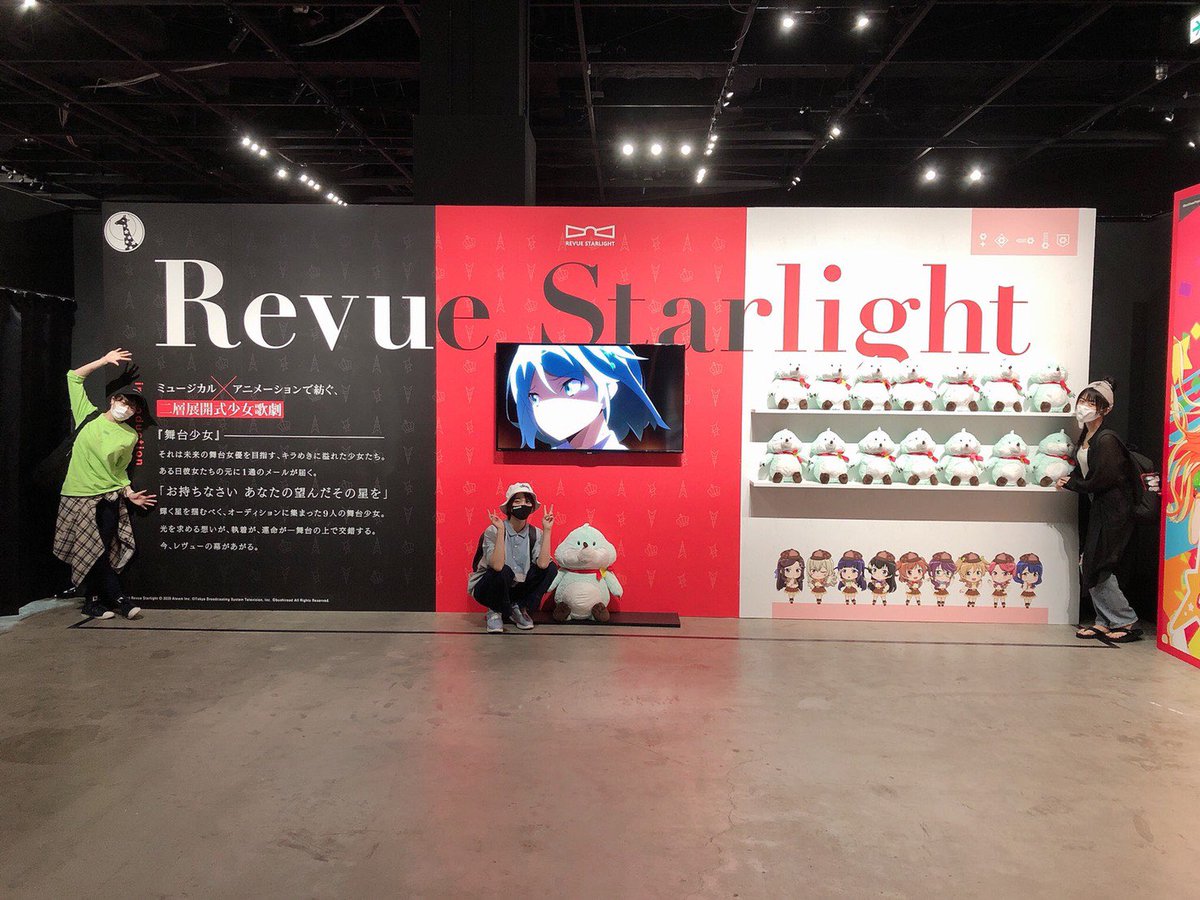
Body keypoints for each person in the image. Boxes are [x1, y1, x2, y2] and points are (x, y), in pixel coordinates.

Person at [54, 349, 158, 620]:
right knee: (92, 549)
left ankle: (92, 602)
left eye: (133, 407)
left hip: (109, 498)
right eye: (124, 401)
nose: (127, 408)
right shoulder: (87, 416)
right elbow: (73, 377)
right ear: (113, 400)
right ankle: (119, 599)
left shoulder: (129, 435)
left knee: (98, 549)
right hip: (77, 495)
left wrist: (128, 492)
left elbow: (120, 470)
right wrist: (102, 361)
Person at [1056, 379, 1142, 642]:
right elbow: (1087, 471)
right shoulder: (1087, 436)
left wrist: (1071, 484)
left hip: (1115, 511)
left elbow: (1102, 479)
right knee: (1090, 563)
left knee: (1098, 564)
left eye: (1092, 403)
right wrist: (1071, 478)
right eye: (1083, 400)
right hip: (1101, 508)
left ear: (1106, 409)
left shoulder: (1107, 439)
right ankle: (1104, 621)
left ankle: (1126, 620)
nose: (1084, 406)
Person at [468, 482, 557, 633]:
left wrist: (547, 530)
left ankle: (519, 607)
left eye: (527, 501)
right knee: (504, 571)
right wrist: (501, 531)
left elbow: (543, 565)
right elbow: (497, 566)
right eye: (517, 501)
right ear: (509, 507)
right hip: (489, 586)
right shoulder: (493, 530)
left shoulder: (535, 534)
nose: (523, 504)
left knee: (551, 568)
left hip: (517, 587)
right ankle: (495, 610)